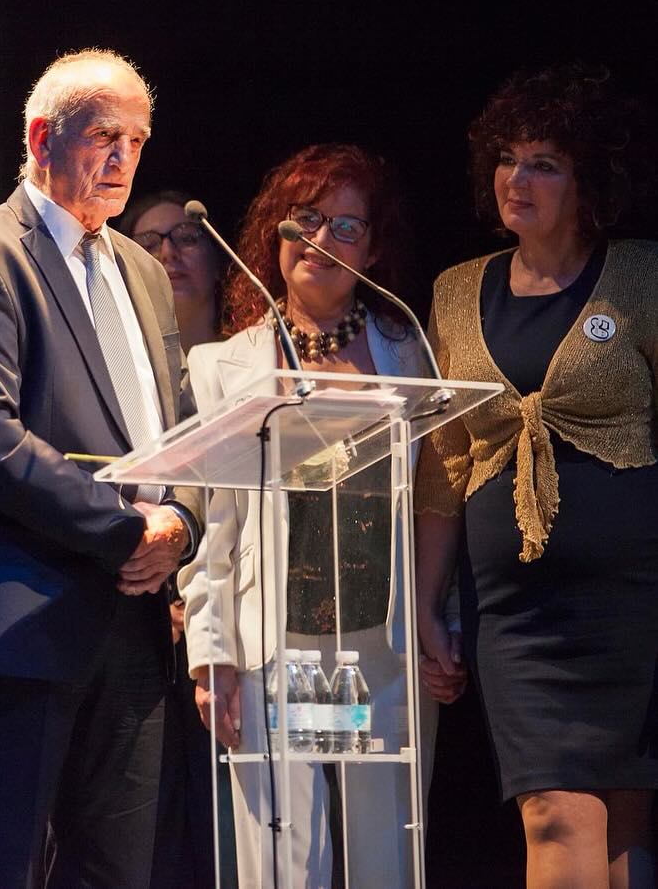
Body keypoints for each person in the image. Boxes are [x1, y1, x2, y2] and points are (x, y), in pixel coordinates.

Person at [0, 48, 203, 888]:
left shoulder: (144, 272)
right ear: (43, 137)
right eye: (102, 135)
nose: (121, 158)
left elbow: (180, 431)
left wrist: (180, 523)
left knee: (117, 870)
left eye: (136, 140)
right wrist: (125, 530)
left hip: (137, 620)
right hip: (22, 616)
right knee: (4, 863)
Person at [415, 64, 658, 889]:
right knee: (553, 808)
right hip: (514, 614)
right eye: (507, 158)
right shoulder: (455, 292)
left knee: (624, 820)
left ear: (588, 178)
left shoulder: (640, 277)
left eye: (545, 162)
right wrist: (423, 606)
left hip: (636, 597)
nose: (517, 179)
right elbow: (444, 466)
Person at [183, 143, 444, 888]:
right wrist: (212, 654)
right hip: (274, 649)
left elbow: (436, 499)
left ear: (375, 245)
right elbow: (214, 529)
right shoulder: (223, 367)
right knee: (282, 871)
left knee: (384, 867)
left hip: (381, 652)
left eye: (345, 226)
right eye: (304, 219)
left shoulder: (413, 352)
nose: (320, 239)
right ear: (275, 232)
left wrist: (436, 614)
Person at [119, 190, 228, 889]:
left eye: (186, 237)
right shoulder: (120, 370)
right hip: (138, 616)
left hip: (231, 634)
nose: (167, 252)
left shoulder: (249, 361)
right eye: (149, 239)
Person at [120, 189, 224, 353]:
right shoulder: (117, 365)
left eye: (186, 239)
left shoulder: (257, 356)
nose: (168, 253)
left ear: (217, 261)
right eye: (149, 245)